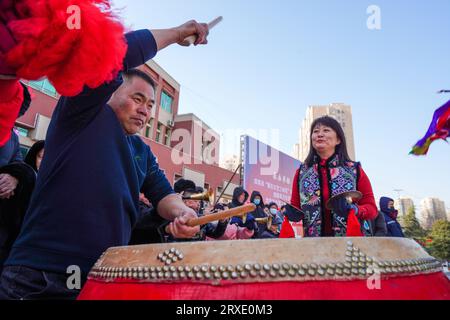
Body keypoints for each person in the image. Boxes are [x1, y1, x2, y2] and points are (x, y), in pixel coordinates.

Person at [0, 20, 210, 300]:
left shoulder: (142, 150)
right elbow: (116, 53)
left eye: (150, 105)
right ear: (110, 91)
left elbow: (163, 194)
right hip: (41, 276)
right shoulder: (80, 113)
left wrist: (183, 214)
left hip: (105, 277)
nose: (145, 111)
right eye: (137, 98)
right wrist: (176, 34)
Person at [290, 116, 377, 237]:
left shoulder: (355, 170)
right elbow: (295, 208)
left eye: (326, 130)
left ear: (338, 140)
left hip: (351, 245)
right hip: (313, 247)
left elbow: (372, 208)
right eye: (316, 131)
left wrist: (356, 210)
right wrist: (289, 213)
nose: (320, 134)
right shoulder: (301, 172)